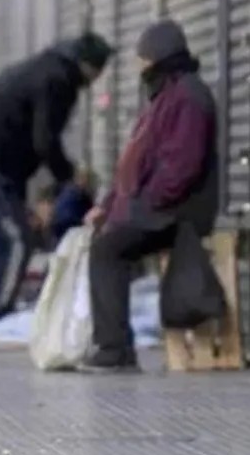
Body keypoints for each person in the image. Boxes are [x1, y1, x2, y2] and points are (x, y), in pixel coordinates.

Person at [0, 33, 115, 339]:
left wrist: (26, 202)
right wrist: (70, 177)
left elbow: (24, 148)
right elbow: (44, 141)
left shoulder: (43, 69)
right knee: (14, 243)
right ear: (90, 66)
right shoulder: (59, 79)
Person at [81, 19, 218, 372]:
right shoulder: (164, 97)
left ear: (156, 57)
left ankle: (114, 352)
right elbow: (134, 166)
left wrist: (143, 206)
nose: (138, 66)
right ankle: (114, 347)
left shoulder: (187, 96)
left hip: (178, 210)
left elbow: (181, 168)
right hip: (159, 206)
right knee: (106, 241)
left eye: (142, 57)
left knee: (108, 249)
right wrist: (109, 206)